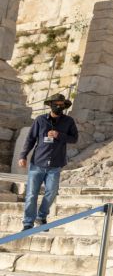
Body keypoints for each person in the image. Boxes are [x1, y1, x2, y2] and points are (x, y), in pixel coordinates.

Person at [18, 93, 79, 231]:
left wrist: (59, 135)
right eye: (56, 104)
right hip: (37, 163)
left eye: (61, 105)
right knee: (31, 194)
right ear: (50, 105)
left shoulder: (69, 121)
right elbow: (30, 139)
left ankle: (41, 216)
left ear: (64, 106)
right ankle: (28, 223)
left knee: (51, 193)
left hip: (56, 165)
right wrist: (23, 156)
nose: (58, 106)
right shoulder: (40, 120)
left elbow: (74, 139)